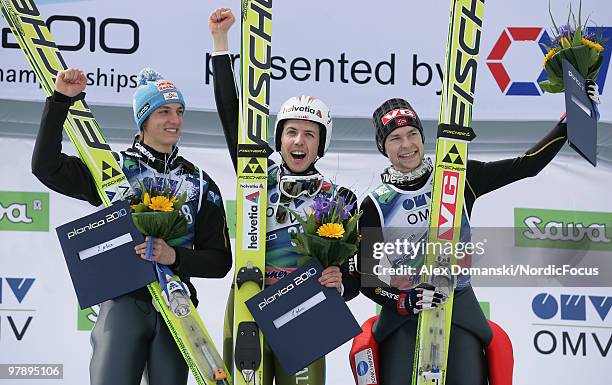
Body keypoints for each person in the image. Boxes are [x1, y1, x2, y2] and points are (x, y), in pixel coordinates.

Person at [358, 85, 601, 385]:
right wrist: (401, 301)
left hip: (459, 307)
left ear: (423, 137)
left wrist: (571, 122)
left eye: (413, 134)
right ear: (384, 147)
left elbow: (528, 165)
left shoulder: (457, 177)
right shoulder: (375, 204)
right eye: (395, 138)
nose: (406, 145)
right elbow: (367, 279)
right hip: (405, 316)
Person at [31, 67, 232, 385]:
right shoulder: (113, 168)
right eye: (164, 111)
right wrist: (60, 102)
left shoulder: (200, 183)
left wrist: (174, 257)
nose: (175, 121)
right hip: (124, 303)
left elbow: (221, 261)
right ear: (144, 118)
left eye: (179, 111)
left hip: (177, 307)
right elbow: (46, 167)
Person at [208, 7, 359, 385]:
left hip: (304, 306)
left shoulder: (340, 197)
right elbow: (232, 116)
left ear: (320, 145)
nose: (298, 141)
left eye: (310, 134)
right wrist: (221, 43)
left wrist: (338, 281)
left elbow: (357, 278)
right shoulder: (256, 176)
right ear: (279, 139)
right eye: (291, 131)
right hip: (249, 294)